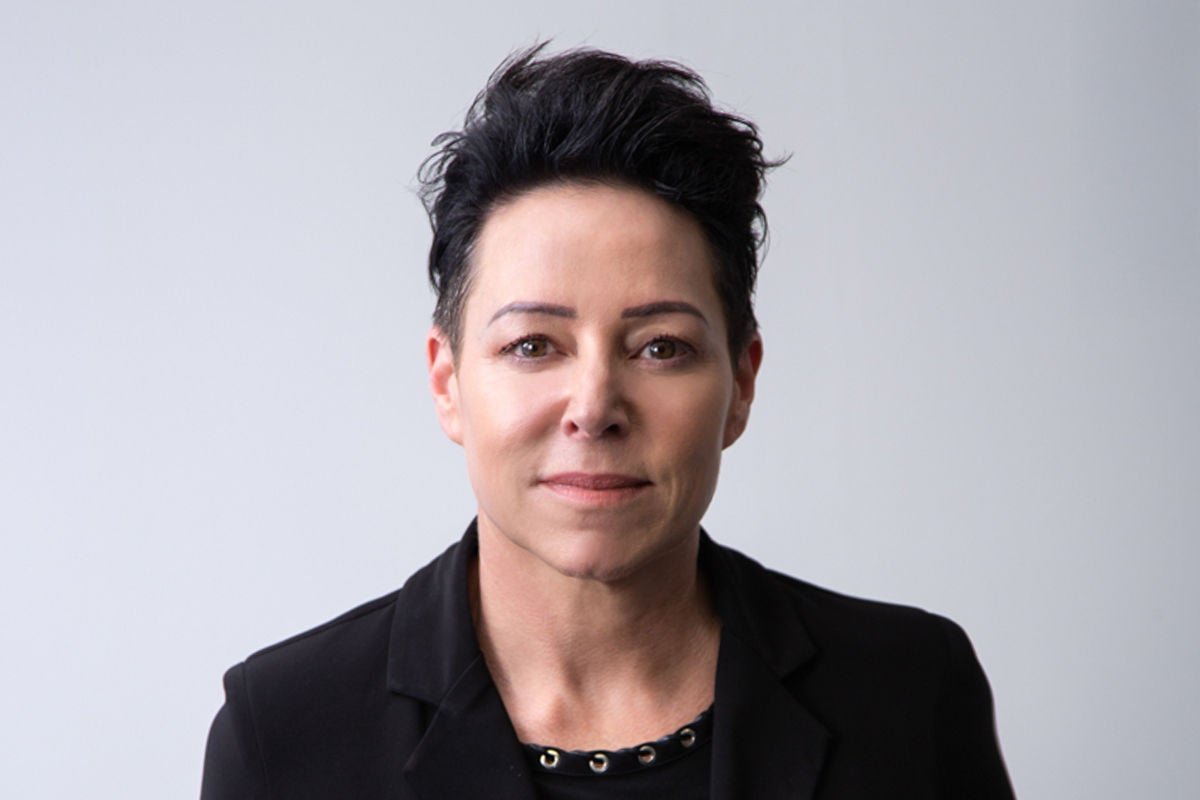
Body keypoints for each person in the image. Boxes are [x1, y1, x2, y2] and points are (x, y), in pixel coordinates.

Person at [201, 45, 1015, 799]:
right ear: (447, 382)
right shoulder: (285, 733)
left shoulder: (910, 693)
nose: (594, 408)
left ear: (741, 383)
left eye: (661, 347)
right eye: (532, 346)